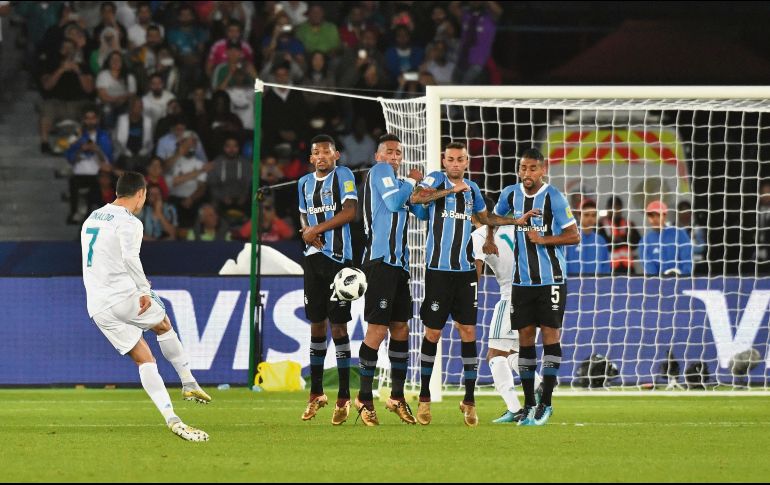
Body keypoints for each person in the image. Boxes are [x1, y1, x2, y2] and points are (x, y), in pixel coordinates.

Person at [409, 141, 538, 426]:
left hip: (466, 272)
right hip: (438, 271)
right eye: (451, 159)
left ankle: (468, 400)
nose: (456, 164)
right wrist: (448, 191)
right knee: (432, 334)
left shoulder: (473, 189)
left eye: (461, 160)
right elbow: (417, 199)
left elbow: (486, 218)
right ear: (444, 161)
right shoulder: (435, 179)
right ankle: (424, 398)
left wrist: (516, 221)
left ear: (467, 162)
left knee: (468, 332)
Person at [80, 172, 210, 441]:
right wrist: (143, 289)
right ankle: (188, 382)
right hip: (123, 297)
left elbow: (103, 258)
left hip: (97, 305)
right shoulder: (130, 222)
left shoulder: (93, 217)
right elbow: (129, 257)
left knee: (145, 359)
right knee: (163, 324)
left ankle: (172, 419)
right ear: (140, 194)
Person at [488, 148, 580, 426]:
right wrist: (501, 228)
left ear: (543, 170)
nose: (526, 174)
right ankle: (529, 405)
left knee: (550, 336)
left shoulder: (554, 197)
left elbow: (573, 235)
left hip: (551, 279)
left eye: (532, 169)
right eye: (523, 168)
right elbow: (492, 217)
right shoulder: (510, 194)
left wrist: (543, 240)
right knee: (525, 340)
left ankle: (546, 405)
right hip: (522, 282)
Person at [354, 134, 424, 426]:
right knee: (377, 330)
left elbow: (418, 211)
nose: (395, 157)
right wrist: (411, 182)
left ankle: (396, 396)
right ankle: (364, 398)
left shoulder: (399, 184)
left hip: (400, 264)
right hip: (380, 261)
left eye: (399, 153)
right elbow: (396, 203)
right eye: (390, 152)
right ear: (378, 155)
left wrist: (429, 188)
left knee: (400, 328)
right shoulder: (381, 173)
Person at [295, 135, 358, 425]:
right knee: (316, 324)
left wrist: (315, 229)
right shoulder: (303, 184)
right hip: (312, 260)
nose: (321, 156)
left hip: (338, 262)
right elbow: (303, 219)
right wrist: (308, 231)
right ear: (310, 158)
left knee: (339, 327)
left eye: (326, 152)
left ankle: (344, 396)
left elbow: (350, 212)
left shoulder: (343, 175)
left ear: (336, 156)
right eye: (316, 152)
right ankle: (316, 392)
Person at [471, 216, 542, 423]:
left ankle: (516, 406)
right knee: (513, 352)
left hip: (511, 296)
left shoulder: (480, 234)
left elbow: (477, 268)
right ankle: (539, 386)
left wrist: (469, 299)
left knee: (494, 355)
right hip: (535, 293)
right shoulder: (515, 226)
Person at [65, 107, 114, 224]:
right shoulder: (77, 136)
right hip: (81, 174)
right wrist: (81, 149)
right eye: (87, 118)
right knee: (74, 182)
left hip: (98, 173)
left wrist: (97, 150)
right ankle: (75, 212)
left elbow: (107, 161)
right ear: (83, 120)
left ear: (97, 119)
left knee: (100, 184)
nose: (90, 121)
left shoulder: (103, 136)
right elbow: (71, 159)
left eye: (93, 118)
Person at [639, 200, 692, 276]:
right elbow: (650, 270)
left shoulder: (680, 234)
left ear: (665, 216)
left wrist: (681, 275)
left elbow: (687, 261)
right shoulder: (644, 242)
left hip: (681, 281)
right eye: (651, 215)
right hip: (658, 285)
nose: (654, 219)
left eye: (658, 215)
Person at [566, 199, 611, 275]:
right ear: (579, 216)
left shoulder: (601, 241)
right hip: (573, 284)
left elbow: (606, 267)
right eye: (586, 215)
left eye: (593, 215)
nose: (590, 218)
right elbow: (562, 264)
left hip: (596, 285)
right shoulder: (568, 238)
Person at [599, 196, 641, 275]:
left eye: (618, 207)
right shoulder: (600, 225)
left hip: (628, 267)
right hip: (609, 267)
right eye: (613, 207)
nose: (615, 210)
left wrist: (616, 241)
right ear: (608, 208)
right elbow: (601, 244)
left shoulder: (629, 224)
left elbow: (637, 241)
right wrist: (624, 241)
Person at [114, 96, 153, 171]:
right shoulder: (121, 120)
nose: (140, 109)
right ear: (131, 108)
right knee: (128, 163)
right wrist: (126, 152)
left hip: (142, 154)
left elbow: (150, 142)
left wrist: (144, 151)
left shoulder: (148, 121)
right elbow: (116, 140)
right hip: (124, 153)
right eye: (137, 106)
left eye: (141, 106)